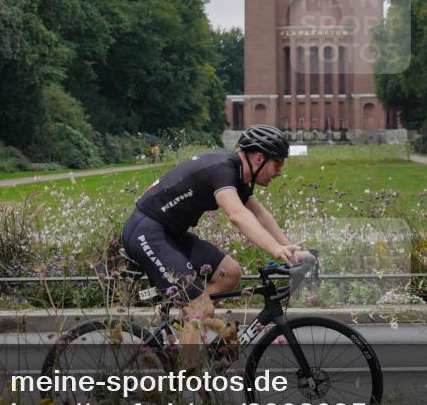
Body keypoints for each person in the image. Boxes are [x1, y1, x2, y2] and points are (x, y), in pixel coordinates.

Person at [121, 124, 304, 352]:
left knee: (230, 273)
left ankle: (185, 324)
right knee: (201, 308)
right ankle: (188, 370)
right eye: (278, 164)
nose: (279, 172)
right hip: (147, 232)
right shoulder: (222, 169)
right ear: (259, 158)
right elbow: (237, 214)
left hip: (170, 233)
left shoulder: (238, 174)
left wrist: (291, 250)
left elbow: (259, 214)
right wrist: (275, 249)